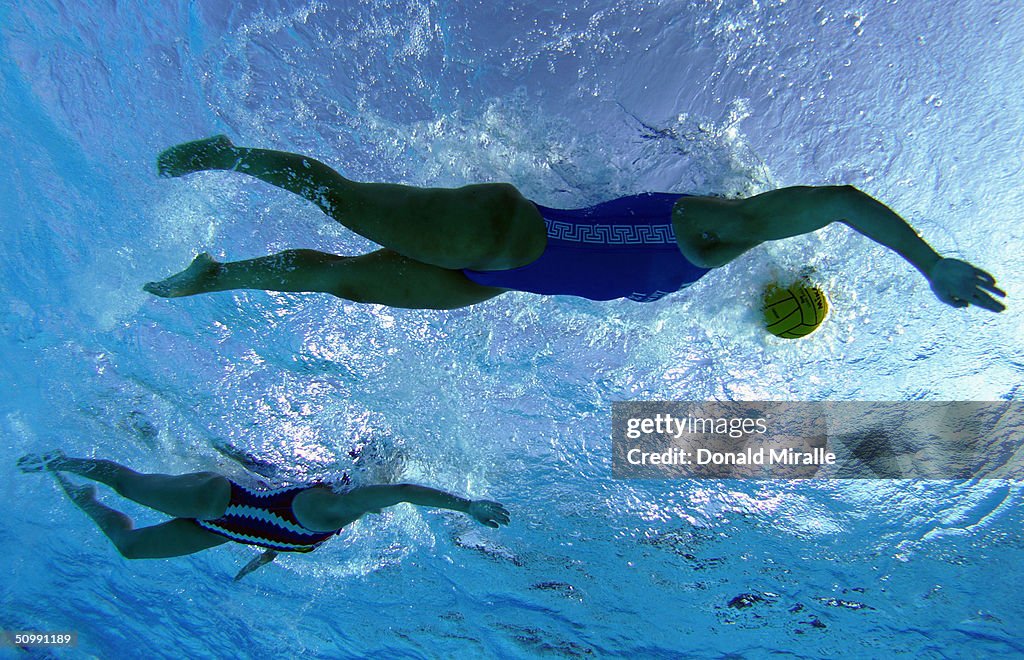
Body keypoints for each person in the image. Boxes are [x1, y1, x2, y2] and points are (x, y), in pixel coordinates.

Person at [145, 135, 1005, 312]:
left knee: (339, 278)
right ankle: (234, 155)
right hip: (497, 232)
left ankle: (216, 275)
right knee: (342, 202)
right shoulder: (715, 225)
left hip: (484, 282)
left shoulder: (705, 272)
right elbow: (840, 201)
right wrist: (930, 265)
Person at [18, 450, 509, 581]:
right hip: (215, 502)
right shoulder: (337, 505)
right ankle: (61, 459)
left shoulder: (336, 517)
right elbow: (402, 492)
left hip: (222, 529)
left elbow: (284, 533)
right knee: (128, 484)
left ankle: (85, 500)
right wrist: (468, 505)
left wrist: (266, 555)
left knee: (132, 548)